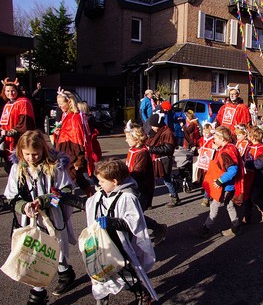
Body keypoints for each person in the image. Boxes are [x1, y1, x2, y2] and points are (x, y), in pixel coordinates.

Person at [4, 130, 77, 303]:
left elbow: (66, 190)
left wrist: (46, 200)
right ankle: (38, 294)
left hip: (53, 216)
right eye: (27, 154)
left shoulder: (55, 166)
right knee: (36, 252)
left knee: (56, 247)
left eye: (35, 154)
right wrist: (24, 206)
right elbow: (11, 197)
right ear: (20, 152)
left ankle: (65, 272)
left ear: (43, 150)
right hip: (31, 219)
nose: (31, 158)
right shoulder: (18, 168)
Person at [85, 159, 157, 305]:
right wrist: (66, 199)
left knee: (125, 274)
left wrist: (113, 222)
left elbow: (134, 222)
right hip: (102, 244)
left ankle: (142, 294)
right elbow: (86, 205)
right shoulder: (102, 194)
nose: (99, 184)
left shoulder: (128, 197)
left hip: (120, 245)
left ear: (115, 181)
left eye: (102, 181)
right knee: (99, 277)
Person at [124, 120, 167, 245]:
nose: (126, 140)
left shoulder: (142, 153)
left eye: (128, 137)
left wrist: (123, 179)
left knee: (135, 215)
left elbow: (137, 173)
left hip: (142, 190)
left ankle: (158, 229)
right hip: (132, 188)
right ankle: (156, 228)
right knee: (134, 215)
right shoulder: (132, 150)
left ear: (136, 139)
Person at [199, 126, 245, 238]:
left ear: (223, 139)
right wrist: (216, 148)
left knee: (214, 206)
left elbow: (233, 169)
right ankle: (236, 226)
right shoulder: (230, 147)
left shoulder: (226, 152)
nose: (214, 140)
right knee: (229, 206)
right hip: (228, 186)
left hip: (225, 186)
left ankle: (206, 227)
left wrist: (220, 180)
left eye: (216, 138)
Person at [54, 88, 94, 197]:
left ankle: (66, 200)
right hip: (65, 149)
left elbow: (79, 138)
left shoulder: (75, 118)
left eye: (61, 103)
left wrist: (79, 159)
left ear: (69, 102)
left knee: (71, 177)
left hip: (72, 152)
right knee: (76, 178)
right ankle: (91, 197)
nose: (59, 106)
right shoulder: (66, 115)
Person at [0, 77, 36, 173]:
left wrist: (9, 132)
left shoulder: (23, 102)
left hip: (19, 141)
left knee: (20, 169)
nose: (10, 93)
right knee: (9, 168)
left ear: (17, 90)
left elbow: (25, 124)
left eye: (13, 91)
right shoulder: (8, 103)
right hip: (8, 142)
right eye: (7, 91)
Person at [145, 111, 181, 207]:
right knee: (151, 181)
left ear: (159, 124)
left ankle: (175, 198)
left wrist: (151, 149)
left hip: (164, 160)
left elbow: (168, 149)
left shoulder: (167, 133)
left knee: (167, 180)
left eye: (154, 126)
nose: (152, 128)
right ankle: (148, 203)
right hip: (153, 159)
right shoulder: (154, 132)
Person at [196, 122, 215, 207]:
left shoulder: (213, 140)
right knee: (203, 179)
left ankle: (206, 198)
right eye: (204, 132)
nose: (205, 134)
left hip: (210, 164)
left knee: (208, 179)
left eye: (207, 133)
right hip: (202, 163)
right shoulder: (202, 139)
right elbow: (199, 146)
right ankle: (209, 194)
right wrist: (199, 150)